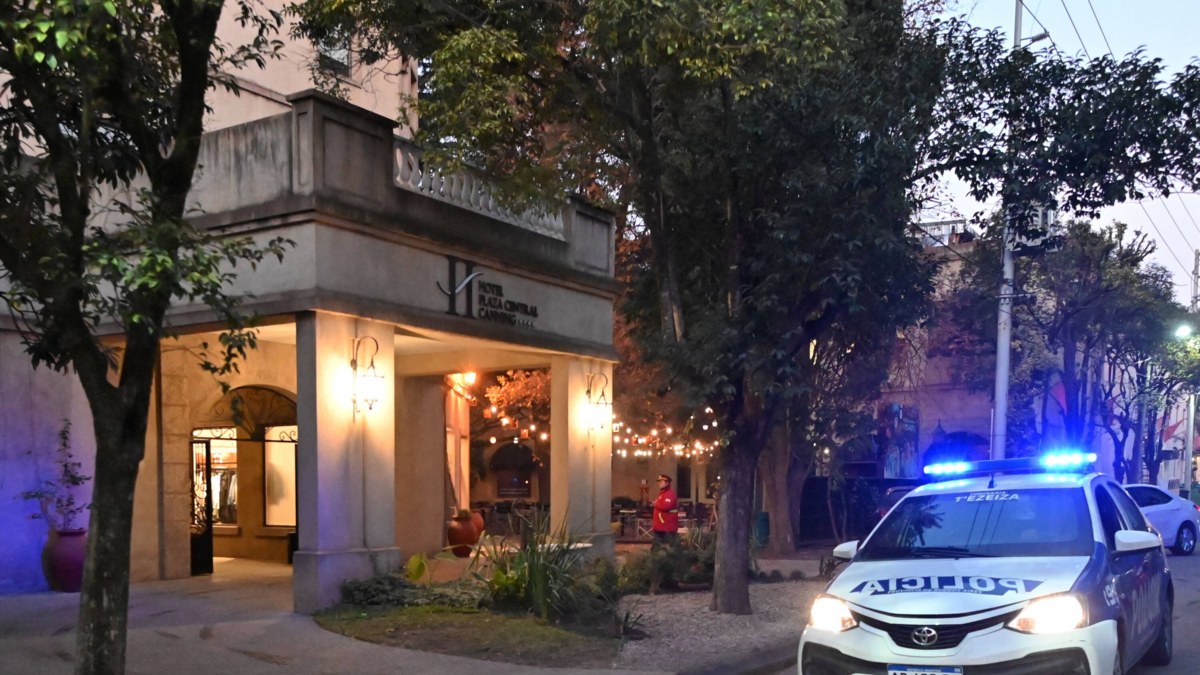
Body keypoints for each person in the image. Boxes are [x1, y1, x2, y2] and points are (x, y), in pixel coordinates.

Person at [652, 474, 679, 545]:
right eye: (659, 482)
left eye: (661, 482)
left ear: (667, 483)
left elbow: (667, 506)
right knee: (657, 546)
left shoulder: (669, 494)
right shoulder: (662, 494)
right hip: (660, 526)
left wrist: (656, 504)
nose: (659, 483)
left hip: (667, 526)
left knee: (670, 546)